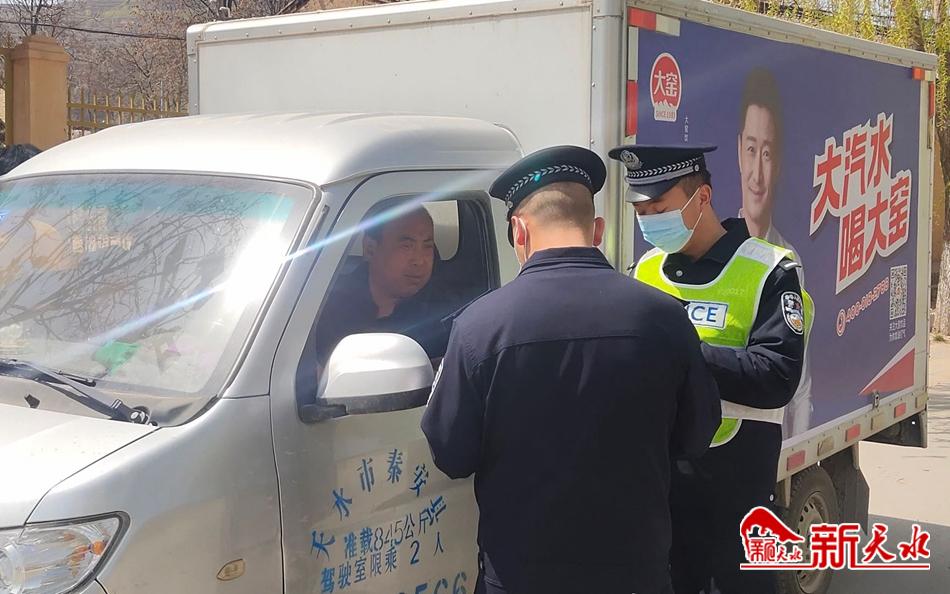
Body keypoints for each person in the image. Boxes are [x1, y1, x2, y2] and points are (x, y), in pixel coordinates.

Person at [421, 145, 721, 594]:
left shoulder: (479, 328)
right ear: (597, 229)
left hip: (522, 577)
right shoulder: (664, 318)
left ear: (519, 231)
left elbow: (451, 455)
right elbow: (696, 436)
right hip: (635, 573)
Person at [610, 144, 808, 594]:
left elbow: (777, 376)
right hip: (661, 487)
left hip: (735, 491)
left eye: (660, 208)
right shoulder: (646, 270)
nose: (648, 221)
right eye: (641, 212)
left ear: (702, 197)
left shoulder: (769, 270)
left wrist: (685, 353)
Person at [735, 68, 813, 437]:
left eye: (766, 154)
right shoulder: (713, 252)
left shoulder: (788, 263)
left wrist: (794, 452)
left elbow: (799, 382)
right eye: (751, 150)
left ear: (777, 163)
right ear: (739, 151)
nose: (757, 173)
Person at [309, 204, 456, 366]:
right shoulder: (327, 307)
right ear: (370, 249)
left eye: (427, 246)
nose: (419, 261)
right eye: (406, 246)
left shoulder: (445, 315)